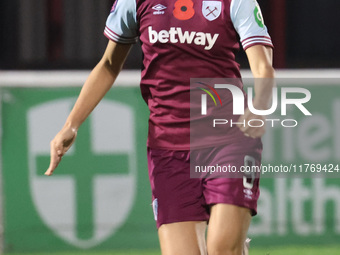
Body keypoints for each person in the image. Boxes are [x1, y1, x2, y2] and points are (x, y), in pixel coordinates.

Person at [45, 0, 275, 254]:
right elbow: (109, 64)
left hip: (228, 139)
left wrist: (260, 104)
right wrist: (71, 125)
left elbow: (263, 65)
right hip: (167, 148)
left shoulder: (235, 2)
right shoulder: (133, 3)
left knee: (222, 248)